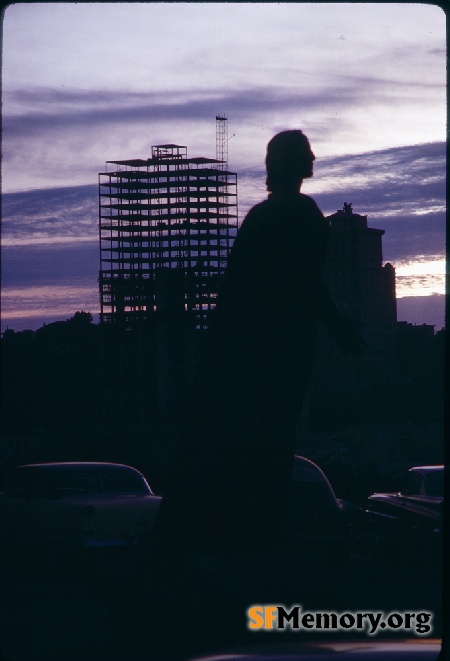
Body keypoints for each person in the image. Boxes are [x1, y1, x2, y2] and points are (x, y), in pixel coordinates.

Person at [153, 129, 365, 559]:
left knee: (254, 441)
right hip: (281, 351)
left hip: (247, 353)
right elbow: (305, 282)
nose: (315, 157)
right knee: (273, 441)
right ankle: (265, 528)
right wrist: (336, 325)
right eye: (307, 152)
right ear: (292, 162)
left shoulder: (257, 217)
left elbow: (240, 290)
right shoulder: (304, 213)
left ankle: (251, 526)